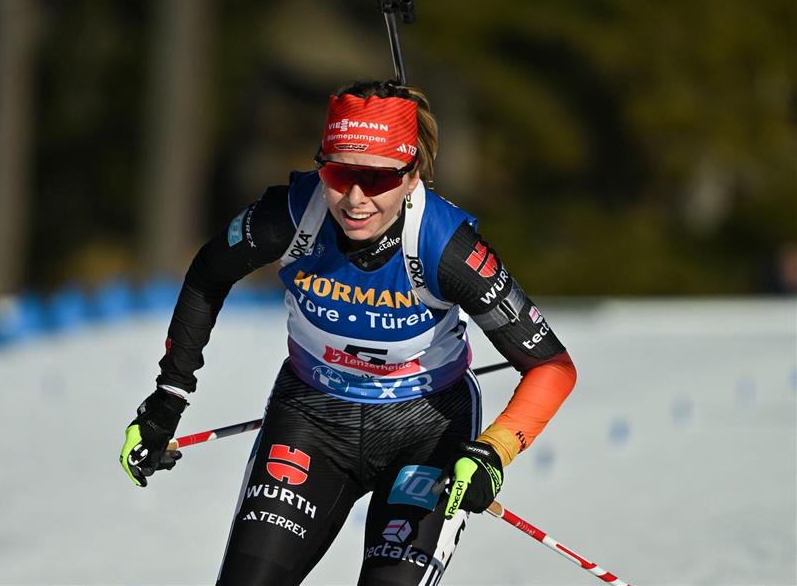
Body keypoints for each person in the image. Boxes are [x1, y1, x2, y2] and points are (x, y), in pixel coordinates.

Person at [119, 80, 577, 585]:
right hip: (312, 418)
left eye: (377, 180)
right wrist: (168, 397)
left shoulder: (446, 247)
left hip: (427, 430)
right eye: (338, 174)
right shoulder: (292, 214)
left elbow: (551, 367)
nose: (355, 200)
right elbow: (209, 273)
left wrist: (493, 453)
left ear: (411, 175)